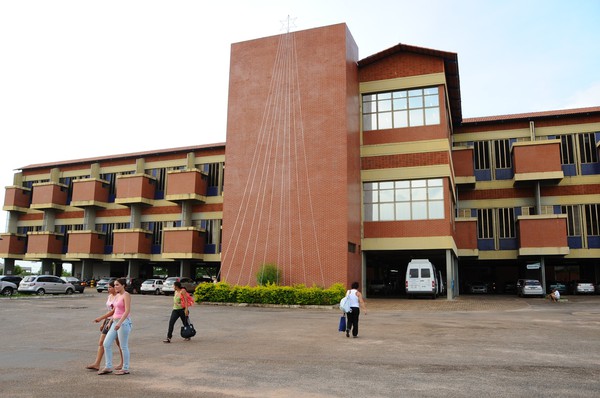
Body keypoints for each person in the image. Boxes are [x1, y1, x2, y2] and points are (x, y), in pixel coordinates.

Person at [86, 280, 123, 371]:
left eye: (110, 287)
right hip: (108, 321)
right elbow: (108, 310)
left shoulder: (118, 297)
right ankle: (97, 363)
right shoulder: (109, 296)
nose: (109, 289)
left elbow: (113, 311)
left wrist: (100, 318)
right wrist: (103, 322)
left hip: (115, 321)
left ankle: (123, 363)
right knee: (101, 342)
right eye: (108, 287)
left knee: (119, 343)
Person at [98, 278, 132, 375]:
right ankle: (108, 366)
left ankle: (125, 368)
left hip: (124, 322)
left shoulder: (126, 295)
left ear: (123, 285)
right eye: (115, 285)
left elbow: (127, 311)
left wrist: (120, 323)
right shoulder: (117, 296)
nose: (115, 286)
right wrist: (110, 321)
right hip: (115, 321)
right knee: (106, 343)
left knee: (123, 346)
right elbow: (115, 311)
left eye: (117, 285)